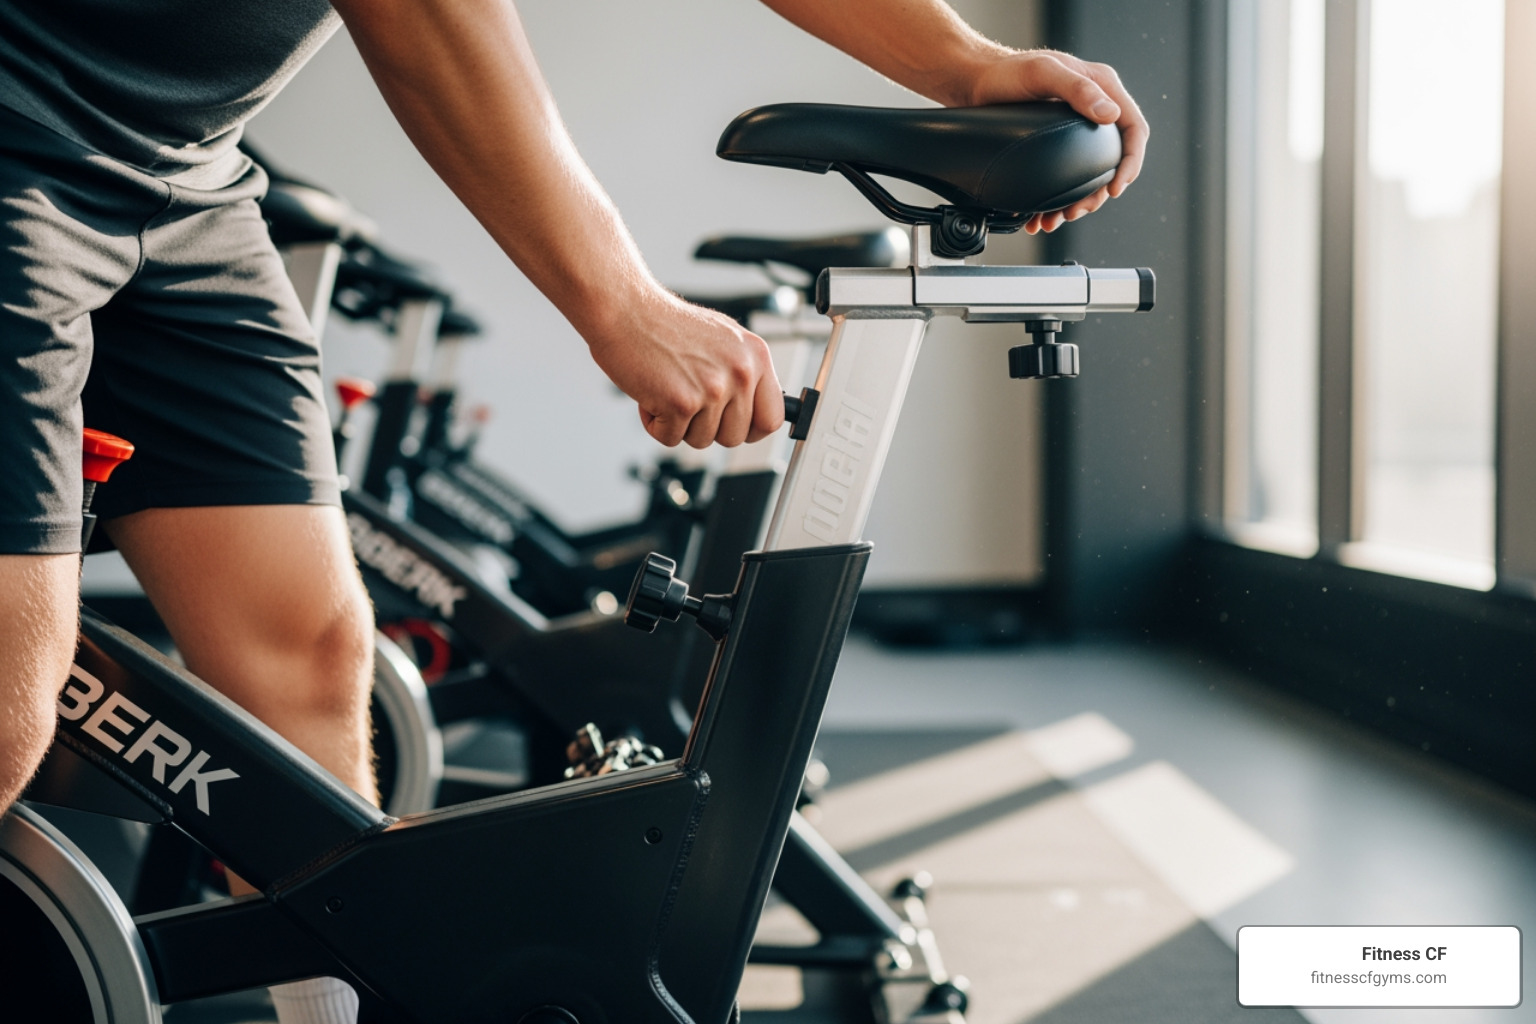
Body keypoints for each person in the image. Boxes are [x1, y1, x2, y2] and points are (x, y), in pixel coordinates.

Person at [0, 0, 1146, 1020]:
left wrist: (960, 60)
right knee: (12, 693)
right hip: (14, 132)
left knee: (305, 657)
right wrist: (621, 302)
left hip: (181, 175)